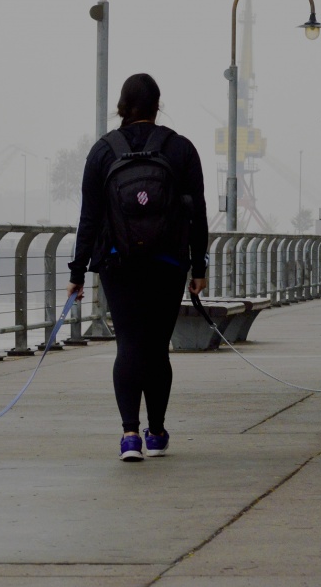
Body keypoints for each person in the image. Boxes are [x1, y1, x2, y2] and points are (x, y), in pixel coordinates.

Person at [67, 73, 208, 462]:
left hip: (118, 262)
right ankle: (157, 432)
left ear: (122, 106)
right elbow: (197, 212)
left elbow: (89, 217)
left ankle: (130, 435)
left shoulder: (102, 151)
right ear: (157, 104)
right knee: (157, 347)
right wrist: (199, 265)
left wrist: (78, 272)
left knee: (129, 343)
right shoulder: (180, 149)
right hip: (167, 262)